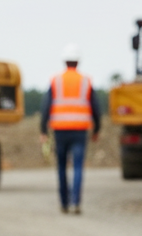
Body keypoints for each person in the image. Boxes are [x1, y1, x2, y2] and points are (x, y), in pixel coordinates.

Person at [40, 44, 100, 214]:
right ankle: (76, 202)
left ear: (65, 61)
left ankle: (64, 203)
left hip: (60, 130)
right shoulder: (86, 81)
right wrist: (97, 129)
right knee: (78, 167)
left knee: (61, 167)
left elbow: (46, 106)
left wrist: (43, 130)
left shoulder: (56, 80)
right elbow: (95, 107)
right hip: (80, 130)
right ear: (78, 61)